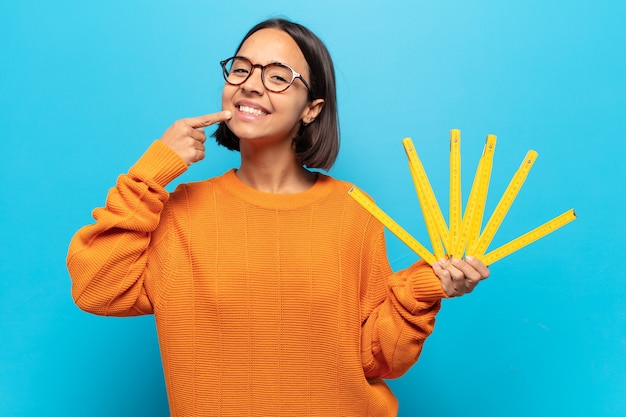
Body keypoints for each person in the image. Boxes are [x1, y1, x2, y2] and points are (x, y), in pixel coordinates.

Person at [67, 18, 490, 417]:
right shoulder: (181, 211)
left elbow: (375, 357)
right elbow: (97, 289)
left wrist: (423, 289)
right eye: (242, 70)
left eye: (278, 76)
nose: (251, 85)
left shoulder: (353, 210)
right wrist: (152, 172)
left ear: (311, 108)